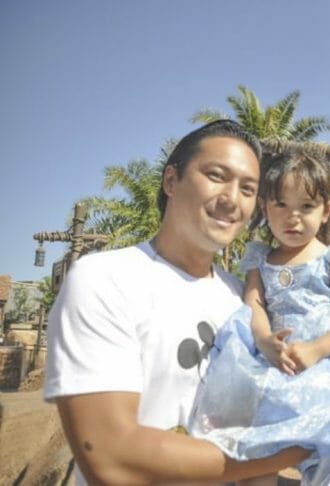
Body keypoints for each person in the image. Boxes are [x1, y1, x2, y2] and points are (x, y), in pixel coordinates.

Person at [43, 120, 309, 484]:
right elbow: (110, 457)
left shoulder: (247, 305)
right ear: (171, 181)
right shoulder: (104, 279)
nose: (232, 198)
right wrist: (283, 452)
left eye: (248, 189)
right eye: (216, 175)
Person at [189, 151, 330, 485]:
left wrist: (316, 350)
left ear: (326, 211)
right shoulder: (261, 259)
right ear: (265, 208)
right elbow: (255, 305)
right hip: (275, 359)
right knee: (259, 444)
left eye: (306, 206)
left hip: (324, 364)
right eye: (281, 205)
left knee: (329, 443)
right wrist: (264, 341)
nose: (293, 218)